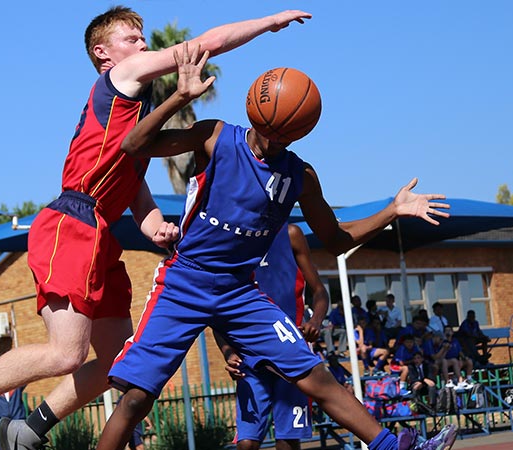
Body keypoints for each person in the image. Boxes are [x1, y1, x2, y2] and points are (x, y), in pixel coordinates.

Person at [0, 7, 313, 450]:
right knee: (66, 352)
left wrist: (157, 226)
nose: (143, 44)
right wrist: (268, 22)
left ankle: (29, 429)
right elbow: (206, 45)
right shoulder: (122, 77)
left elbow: (136, 191)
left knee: (120, 359)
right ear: (104, 53)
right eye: (132, 38)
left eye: (143, 38)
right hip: (73, 221)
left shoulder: (134, 116)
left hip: (101, 231)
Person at [97, 44, 456, 450]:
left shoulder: (299, 175)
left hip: (239, 291)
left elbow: (336, 240)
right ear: (255, 107)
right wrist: (180, 97)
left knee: (316, 377)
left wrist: (392, 210)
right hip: (186, 280)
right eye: (271, 126)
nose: (274, 136)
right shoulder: (216, 137)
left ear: (301, 128)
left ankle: (395, 448)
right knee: (137, 397)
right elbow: (133, 145)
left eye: (285, 129)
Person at [221, 222, 329, 450]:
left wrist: (315, 321)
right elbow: (217, 310)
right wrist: (228, 352)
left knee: (288, 439)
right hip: (249, 353)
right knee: (247, 443)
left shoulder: (290, 234)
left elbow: (319, 290)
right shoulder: (228, 238)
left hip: (291, 350)